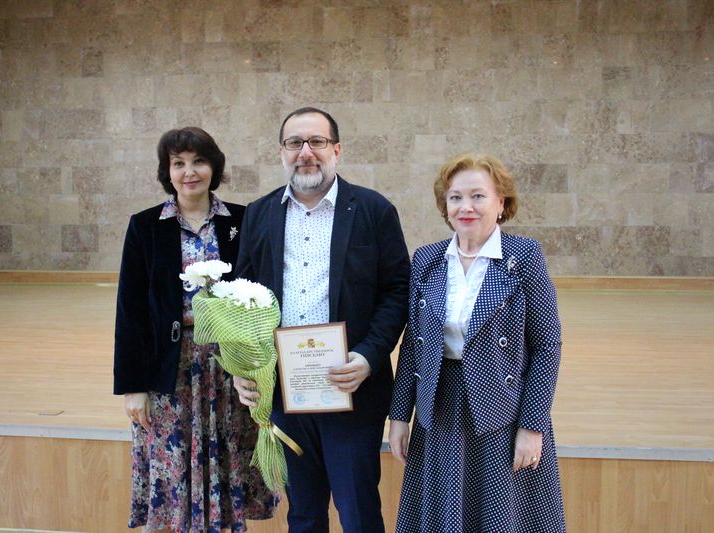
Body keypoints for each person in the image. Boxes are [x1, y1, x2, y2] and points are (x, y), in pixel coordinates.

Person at [232, 107, 410, 533]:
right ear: (281, 152)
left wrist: (368, 356)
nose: (306, 152)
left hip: (351, 390)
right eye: (295, 143)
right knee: (304, 514)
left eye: (317, 142)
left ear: (337, 150)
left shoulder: (373, 210)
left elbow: (397, 291)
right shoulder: (259, 213)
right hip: (286, 394)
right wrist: (243, 367)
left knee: (358, 513)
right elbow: (242, 300)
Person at [388, 153, 566, 532]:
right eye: (455, 197)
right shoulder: (427, 259)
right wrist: (400, 416)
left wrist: (532, 426)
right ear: (445, 206)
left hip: (503, 410)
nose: (465, 207)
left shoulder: (525, 257)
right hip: (439, 405)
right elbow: (413, 346)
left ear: (501, 203)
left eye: (478, 196)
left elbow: (547, 346)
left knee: (500, 519)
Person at [113, 127, 277, 533]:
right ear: (167, 172)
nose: (189, 172)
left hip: (229, 368)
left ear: (213, 168)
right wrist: (133, 385)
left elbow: (262, 292)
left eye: (199, 161)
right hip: (170, 370)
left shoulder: (243, 220)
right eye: (179, 163)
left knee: (228, 458)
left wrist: (258, 364)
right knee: (172, 469)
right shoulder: (145, 226)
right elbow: (130, 311)